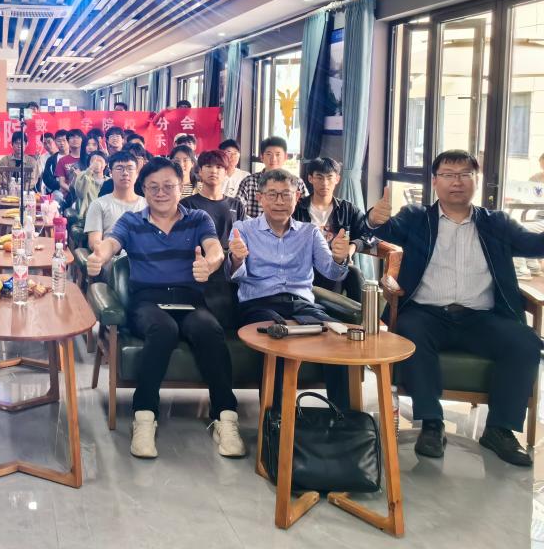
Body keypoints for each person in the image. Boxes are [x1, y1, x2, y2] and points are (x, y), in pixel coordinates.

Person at [366, 150, 544, 466]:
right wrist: (373, 219)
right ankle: (432, 424)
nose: (457, 182)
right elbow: (377, 233)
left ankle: (500, 429)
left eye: (464, 174)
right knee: (410, 329)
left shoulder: (496, 223)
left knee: (526, 343)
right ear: (435, 181)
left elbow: (535, 245)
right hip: (427, 314)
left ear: (477, 180)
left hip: (482, 318)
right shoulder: (416, 218)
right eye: (448, 175)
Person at [86, 157, 244, 460]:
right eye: (153, 187)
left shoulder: (198, 219)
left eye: (168, 186)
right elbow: (110, 244)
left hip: (190, 299)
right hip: (147, 300)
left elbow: (214, 249)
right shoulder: (132, 221)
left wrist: (210, 264)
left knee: (209, 329)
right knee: (163, 329)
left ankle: (225, 417)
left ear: (180, 187)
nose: (161, 193)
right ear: (144, 189)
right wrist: (99, 256)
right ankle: (144, 416)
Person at [228, 168, 351, 408]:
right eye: (272, 194)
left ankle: (343, 417)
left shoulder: (309, 233)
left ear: (297, 198)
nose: (279, 201)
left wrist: (339, 258)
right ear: (260, 198)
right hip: (258, 303)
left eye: (286, 194)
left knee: (338, 337)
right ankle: (276, 418)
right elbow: (235, 276)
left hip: (301, 304)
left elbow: (332, 272)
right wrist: (237, 258)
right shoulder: (243, 229)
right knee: (276, 335)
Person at [292, 157, 374, 301]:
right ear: (310, 178)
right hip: (305, 266)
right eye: (319, 177)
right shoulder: (297, 208)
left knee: (353, 273)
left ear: (337, 179)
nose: (325, 183)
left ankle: (360, 314)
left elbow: (371, 235)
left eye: (330, 177)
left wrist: (352, 247)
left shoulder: (347, 209)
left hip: (336, 266)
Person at [181, 150, 247, 328]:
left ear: (226, 172)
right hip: (200, 268)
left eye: (219, 167)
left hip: (230, 269)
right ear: (199, 172)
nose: (214, 171)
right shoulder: (187, 204)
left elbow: (242, 240)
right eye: (208, 166)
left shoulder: (236, 205)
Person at [84, 150, 146, 253]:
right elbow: (94, 242)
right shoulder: (98, 204)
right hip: (112, 258)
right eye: (119, 168)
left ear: (137, 173)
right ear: (111, 173)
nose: (125, 173)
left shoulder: (148, 205)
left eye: (130, 168)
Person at [236, 136, 308, 218]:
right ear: (262, 157)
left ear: (285, 157)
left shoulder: (297, 183)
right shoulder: (249, 182)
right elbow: (237, 210)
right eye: (269, 154)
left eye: (278, 154)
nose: (273, 159)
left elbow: (307, 210)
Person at [73, 150, 108, 221]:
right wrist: (90, 169)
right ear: (89, 163)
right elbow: (80, 194)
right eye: (93, 161)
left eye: (100, 161)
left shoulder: (109, 181)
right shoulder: (83, 176)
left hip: (105, 216)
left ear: (106, 164)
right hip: (87, 216)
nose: (96, 163)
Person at [41, 129, 68, 197]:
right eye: (59, 141)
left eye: (64, 140)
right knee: (58, 196)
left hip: (73, 190)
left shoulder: (76, 157)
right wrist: (59, 187)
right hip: (57, 191)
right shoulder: (51, 160)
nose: (62, 143)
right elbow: (47, 178)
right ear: (55, 142)